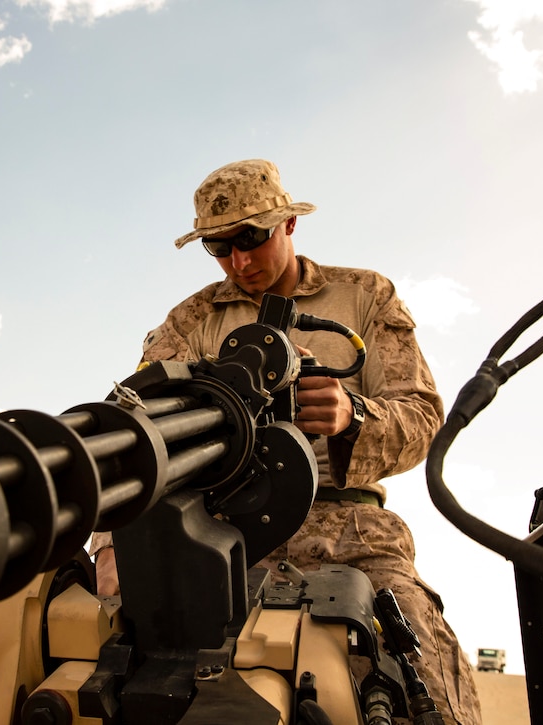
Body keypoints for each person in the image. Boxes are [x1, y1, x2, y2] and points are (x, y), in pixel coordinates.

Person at [91, 159, 482, 724]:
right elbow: (129, 432)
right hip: (221, 538)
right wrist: (110, 543)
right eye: (219, 248)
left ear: (289, 225)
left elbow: (423, 418)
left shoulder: (365, 297)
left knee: (427, 684)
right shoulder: (192, 320)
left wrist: (354, 415)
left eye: (253, 238)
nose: (240, 262)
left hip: (354, 538)